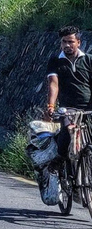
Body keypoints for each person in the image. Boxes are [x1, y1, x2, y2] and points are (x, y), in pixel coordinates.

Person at [44, 26, 92, 156]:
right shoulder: (55, 61)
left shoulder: (89, 60)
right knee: (66, 132)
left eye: (70, 41)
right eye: (64, 42)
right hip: (68, 107)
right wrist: (51, 105)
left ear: (78, 42)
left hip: (89, 106)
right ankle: (60, 161)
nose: (67, 45)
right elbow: (53, 84)